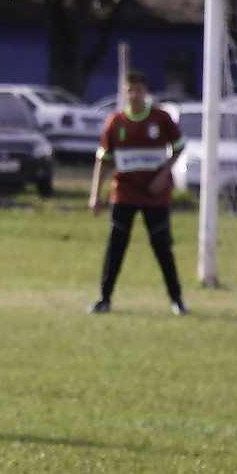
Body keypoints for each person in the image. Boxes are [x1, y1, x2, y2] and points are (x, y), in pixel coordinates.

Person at [88, 69, 188, 315]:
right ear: (124, 92)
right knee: (116, 246)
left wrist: (163, 175)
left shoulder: (160, 119)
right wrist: (95, 195)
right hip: (124, 194)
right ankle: (105, 298)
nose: (134, 95)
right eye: (130, 90)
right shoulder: (116, 122)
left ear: (147, 93)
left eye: (139, 90)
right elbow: (104, 160)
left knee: (162, 247)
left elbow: (179, 146)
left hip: (155, 196)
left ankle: (177, 300)